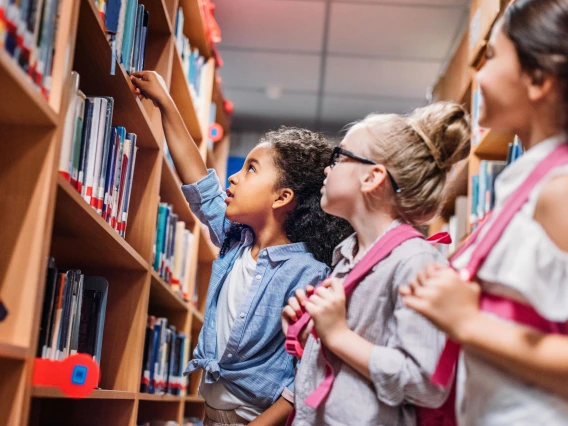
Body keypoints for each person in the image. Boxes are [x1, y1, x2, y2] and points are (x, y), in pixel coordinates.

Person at [131, 70, 352, 426]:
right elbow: (200, 186)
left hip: (253, 419)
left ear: (282, 197)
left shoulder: (307, 273)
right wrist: (166, 105)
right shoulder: (236, 239)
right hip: (211, 410)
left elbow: (308, 370)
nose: (233, 176)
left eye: (251, 169)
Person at [401, 1, 568, 424]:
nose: (479, 76)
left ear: (537, 78)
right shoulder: (528, 183)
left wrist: (468, 322)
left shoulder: (560, 190)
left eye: (491, 57)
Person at [283, 102, 470, 425]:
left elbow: (426, 383)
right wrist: (309, 334)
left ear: (372, 177)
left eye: (339, 158)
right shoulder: (346, 256)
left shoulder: (417, 262)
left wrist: (338, 334)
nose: (328, 169)